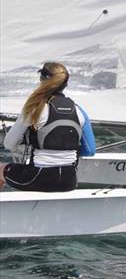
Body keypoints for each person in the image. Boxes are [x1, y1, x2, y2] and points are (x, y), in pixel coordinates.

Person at [0, 62, 96, 192]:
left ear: (41, 80)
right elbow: (90, 150)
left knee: (1, 169)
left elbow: (9, 144)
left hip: (39, 178)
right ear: (66, 85)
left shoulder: (35, 108)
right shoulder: (79, 110)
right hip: (69, 180)